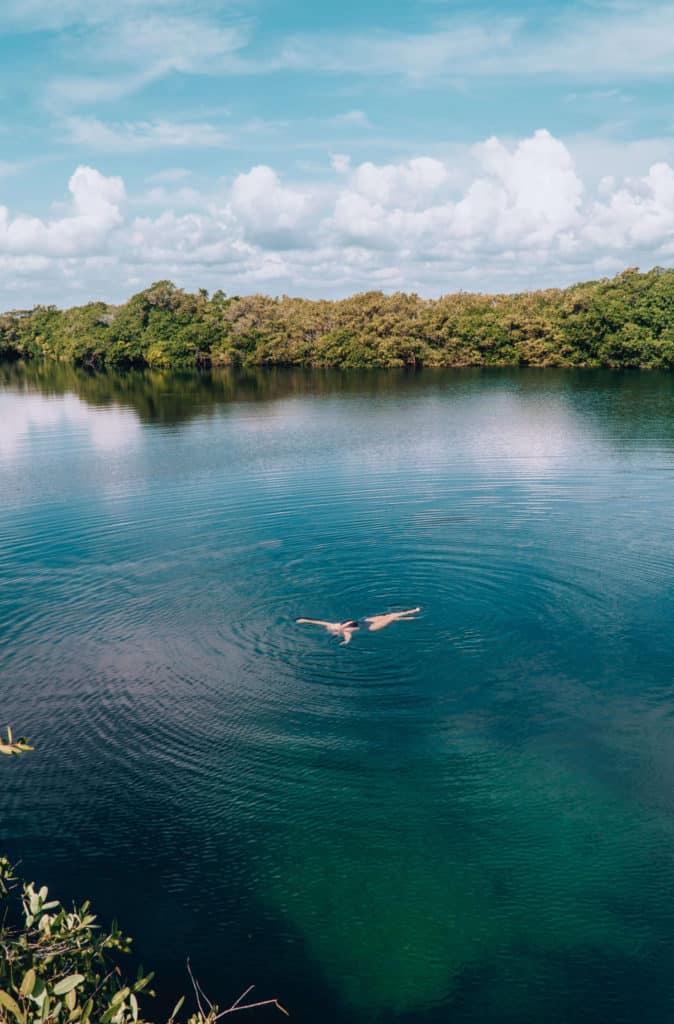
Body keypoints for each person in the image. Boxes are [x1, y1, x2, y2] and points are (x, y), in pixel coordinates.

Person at [296, 618, 360, 645]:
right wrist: (305, 620)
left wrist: (346, 641)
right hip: (335, 630)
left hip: (337, 631)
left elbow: (348, 637)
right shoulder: (332, 626)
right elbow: (318, 622)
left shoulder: (347, 632)